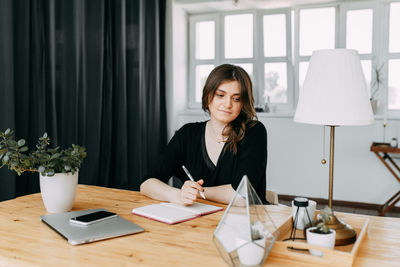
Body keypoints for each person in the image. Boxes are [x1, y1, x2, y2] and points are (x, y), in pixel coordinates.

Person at [140, 64, 268, 205]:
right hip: (198, 222)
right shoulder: (188, 134)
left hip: (246, 222)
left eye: (236, 99)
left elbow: (241, 197)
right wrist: (178, 195)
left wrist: (198, 193)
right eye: (220, 95)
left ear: (243, 103)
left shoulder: (254, 131)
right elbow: (147, 184)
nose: (227, 104)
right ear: (208, 96)